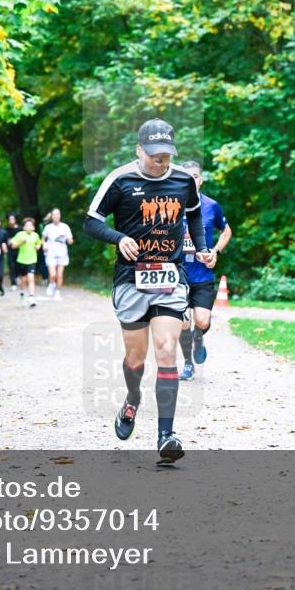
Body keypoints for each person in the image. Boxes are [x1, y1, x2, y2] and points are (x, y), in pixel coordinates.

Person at [83, 118, 215, 463]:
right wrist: (119, 238)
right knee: (136, 358)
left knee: (167, 349)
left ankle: (165, 435)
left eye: (166, 155)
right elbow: (91, 221)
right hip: (131, 278)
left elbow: (195, 215)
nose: (161, 162)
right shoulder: (120, 180)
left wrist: (200, 246)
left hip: (170, 276)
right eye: (155, 155)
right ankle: (131, 400)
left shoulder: (183, 180)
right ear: (139, 150)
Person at [175, 160, 233, 380]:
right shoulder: (172, 205)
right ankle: (188, 363)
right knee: (183, 322)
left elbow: (226, 231)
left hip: (203, 274)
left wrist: (215, 251)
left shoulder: (211, 205)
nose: (192, 180)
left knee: (202, 321)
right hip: (178, 273)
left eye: (195, 176)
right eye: (187, 176)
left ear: (201, 179)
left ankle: (198, 337)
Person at [10, 217, 43, 307]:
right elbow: (13, 246)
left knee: (31, 278)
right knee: (23, 280)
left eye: (30, 225)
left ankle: (31, 297)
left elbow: (39, 243)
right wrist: (21, 242)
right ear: (23, 227)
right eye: (26, 225)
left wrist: (38, 246)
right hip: (21, 261)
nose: (28, 227)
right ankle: (22, 294)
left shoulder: (35, 235)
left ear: (33, 227)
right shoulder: (20, 235)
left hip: (32, 260)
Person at [42, 208, 73, 301]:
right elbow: (43, 239)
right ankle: (51, 284)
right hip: (51, 252)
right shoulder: (48, 227)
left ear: (60, 216)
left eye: (57, 214)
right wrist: (44, 244)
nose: (56, 216)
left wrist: (69, 240)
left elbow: (70, 240)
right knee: (52, 274)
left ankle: (57, 293)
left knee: (59, 275)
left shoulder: (65, 227)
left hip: (62, 253)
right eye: (54, 214)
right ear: (52, 216)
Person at [4, 212, 20, 290]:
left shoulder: (19, 229)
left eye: (13, 219)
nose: (11, 220)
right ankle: (13, 283)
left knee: (18, 266)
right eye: (10, 219)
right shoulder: (5, 230)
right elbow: (4, 240)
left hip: (19, 251)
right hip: (9, 251)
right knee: (11, 266)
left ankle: (17, 276)